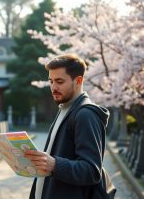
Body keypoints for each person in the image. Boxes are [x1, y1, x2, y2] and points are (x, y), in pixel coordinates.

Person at [25, 54, 116, 199]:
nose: (54, 87)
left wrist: (54, 164)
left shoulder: (85, 115)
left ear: (78, 80)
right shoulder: (65, 108)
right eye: (51, 81)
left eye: (60, 81)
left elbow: (91, 171)